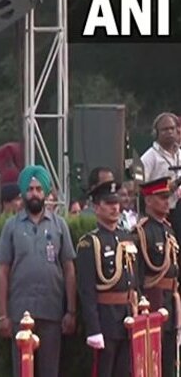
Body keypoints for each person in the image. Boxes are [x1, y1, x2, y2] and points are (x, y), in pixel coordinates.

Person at [0, 165, 76, 377]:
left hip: (52, 311)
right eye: (30, 189)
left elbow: (69, 269)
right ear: (23, 192)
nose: (34, 194)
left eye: (39, 189)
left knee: (50, 372)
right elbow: (3, 272)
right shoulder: (11, 227)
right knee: (22, 371)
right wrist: (3, 315)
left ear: (46, 193)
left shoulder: (60, 226)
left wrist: (71, 311)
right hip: (20, 315)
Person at [76, 180, 140, 377]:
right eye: (108, 203)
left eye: (116, 202)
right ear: (96, 207)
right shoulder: (90, 243)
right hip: (106, 318)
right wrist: (94, 329)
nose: (115, 207)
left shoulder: (127, 237)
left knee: (125, 370)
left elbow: (134, 278)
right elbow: (86, 290)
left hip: (128, 315)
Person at [134, 177, 180, 377]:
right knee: (152, 358)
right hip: (153, 299)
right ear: (149, 200)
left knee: (170, 357)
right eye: (161, 197)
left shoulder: (168, 230)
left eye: (167, 197)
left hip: (171, 299)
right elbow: (138, 275)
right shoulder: (142, 232)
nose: (166, 201)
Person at [141, 113, 181, 238]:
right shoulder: (149, 157)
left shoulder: (180, 153)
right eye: (165, 129)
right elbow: (141, 188)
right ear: (156, 133)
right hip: (159, 213)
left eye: (172, 128)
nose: (169, 132)